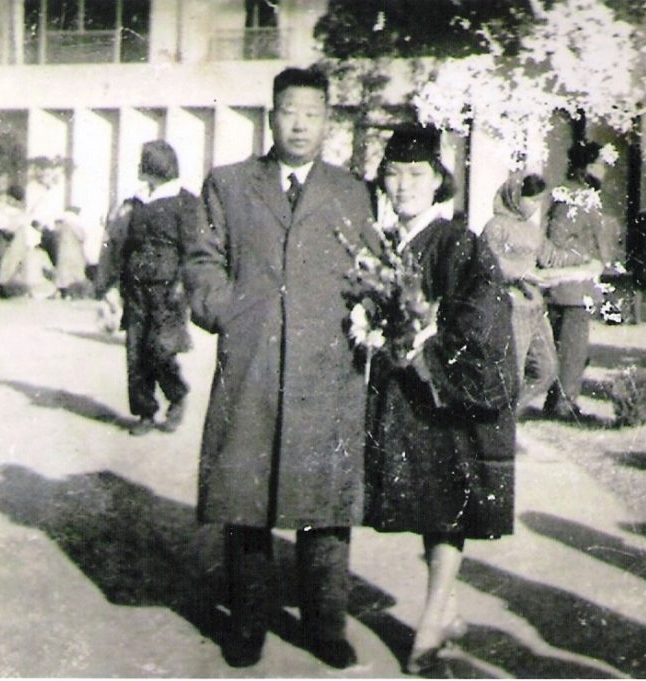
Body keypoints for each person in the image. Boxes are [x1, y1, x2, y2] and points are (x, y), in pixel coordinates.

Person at [183, 67, 373, 669]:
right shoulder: (230, 184)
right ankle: (247, 623)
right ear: (272, 116)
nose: (300, 123)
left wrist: (368, 318)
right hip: (254, 364)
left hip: (326, 369)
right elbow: (203, 262)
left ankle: (325, 624)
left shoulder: (351, 191)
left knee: (326, 505)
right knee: (247, 501)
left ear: (326, 122)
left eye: (312, 113)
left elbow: (371, 271)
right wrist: (232, 315)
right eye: (289, 110)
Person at [363, 126, 517, 673]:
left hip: (442, 396)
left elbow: (481, 318)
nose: (403, 185)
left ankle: (429, 626)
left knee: (445, 509)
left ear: (437, 182)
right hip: (401, 397)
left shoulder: (457, 242)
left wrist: (427, 342)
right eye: (394, 173)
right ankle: (446, 609)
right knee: (425, 508)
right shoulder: (383, 244)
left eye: (416, 175)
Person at [482, 171, 603, 415]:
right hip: (510, 307)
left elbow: (552, 257)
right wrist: (522, 272)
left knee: (547, 369)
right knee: (512, 370)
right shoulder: (496, 226)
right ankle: (499, 423)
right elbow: (487, 262)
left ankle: (503, 415)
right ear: (516, 196)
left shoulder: (532, 230)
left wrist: (585, 261)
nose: (536, 207)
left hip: (535, 308)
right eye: (532, 200)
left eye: (539, 202)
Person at [96, 141, 196, 436]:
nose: (139, 166)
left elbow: (193, 249)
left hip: (169, 290)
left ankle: (177, 395)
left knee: (160, 349)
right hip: (135, 287)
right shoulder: (134, 203)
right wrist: (109, 284)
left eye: (144, 161)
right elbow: (118, 245)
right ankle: (145, 412)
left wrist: (183, 284)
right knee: (135, 352)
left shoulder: (185, 202)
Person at [542, 139, 616, 420]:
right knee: (571, 352)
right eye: (600, 165)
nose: (605, 172)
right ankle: (563, 405)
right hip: (571, 288)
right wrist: (587, 259)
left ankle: (561, 402)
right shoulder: (574, 196)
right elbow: (556, 241)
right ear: (586, 166)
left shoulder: (581, 194)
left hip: (577, 287)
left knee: (571, 352)